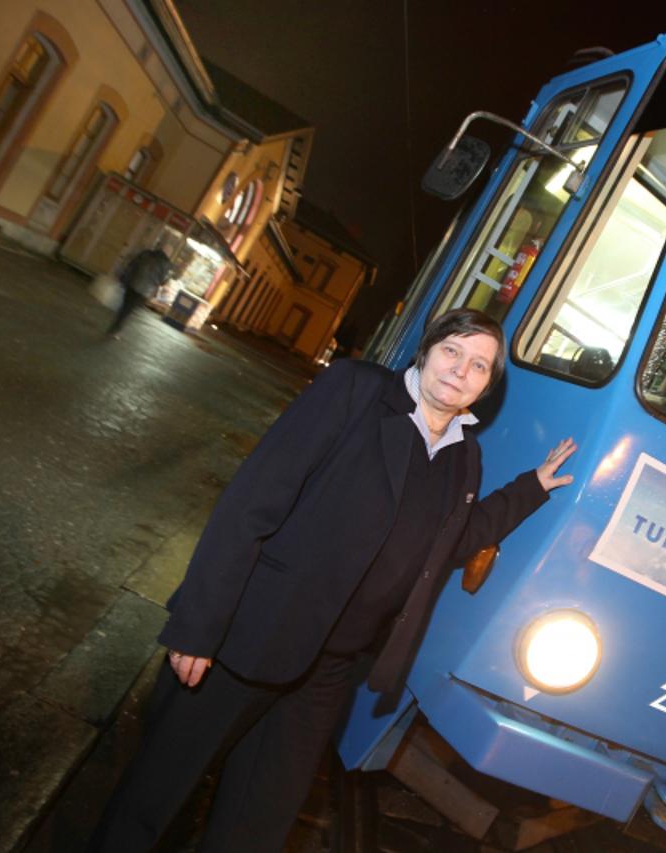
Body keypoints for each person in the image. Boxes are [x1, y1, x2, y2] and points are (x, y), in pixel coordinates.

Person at [90, 308, 577, 851]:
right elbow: (252, 503)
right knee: (154, 797)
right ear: (427, 351)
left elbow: (453, 541)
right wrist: (199, 625)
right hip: (247, 638)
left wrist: (530, 489)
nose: (461, 370)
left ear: (487, 386)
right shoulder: (357, 392)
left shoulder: (465, 456)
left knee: (259, 822)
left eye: (480, 366)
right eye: (453, 351)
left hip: (328, 669)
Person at [106, 247, 172, 337]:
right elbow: (163, 281)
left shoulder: (146, 253)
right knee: (128, 310)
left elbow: (132, 264)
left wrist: (125, 276)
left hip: (132, 283)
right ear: (168, 254)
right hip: (144, 292)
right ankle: (115, 330)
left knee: (125, 306)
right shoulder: (166, 264)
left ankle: (114, 327)